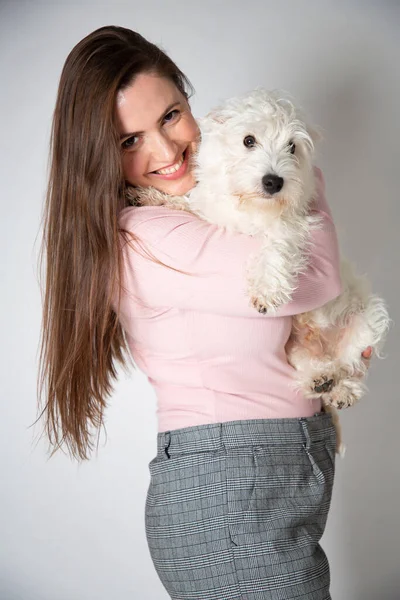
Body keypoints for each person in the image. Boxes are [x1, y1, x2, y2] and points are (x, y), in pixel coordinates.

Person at [37, 25, 372, 600]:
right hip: (228, 496)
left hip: (264, 478)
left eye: (170, 116)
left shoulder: (201, 213)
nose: (165, 152)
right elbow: (313, 279)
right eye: (128, 141)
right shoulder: (145, 235)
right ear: (98, 158)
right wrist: (298, 168)